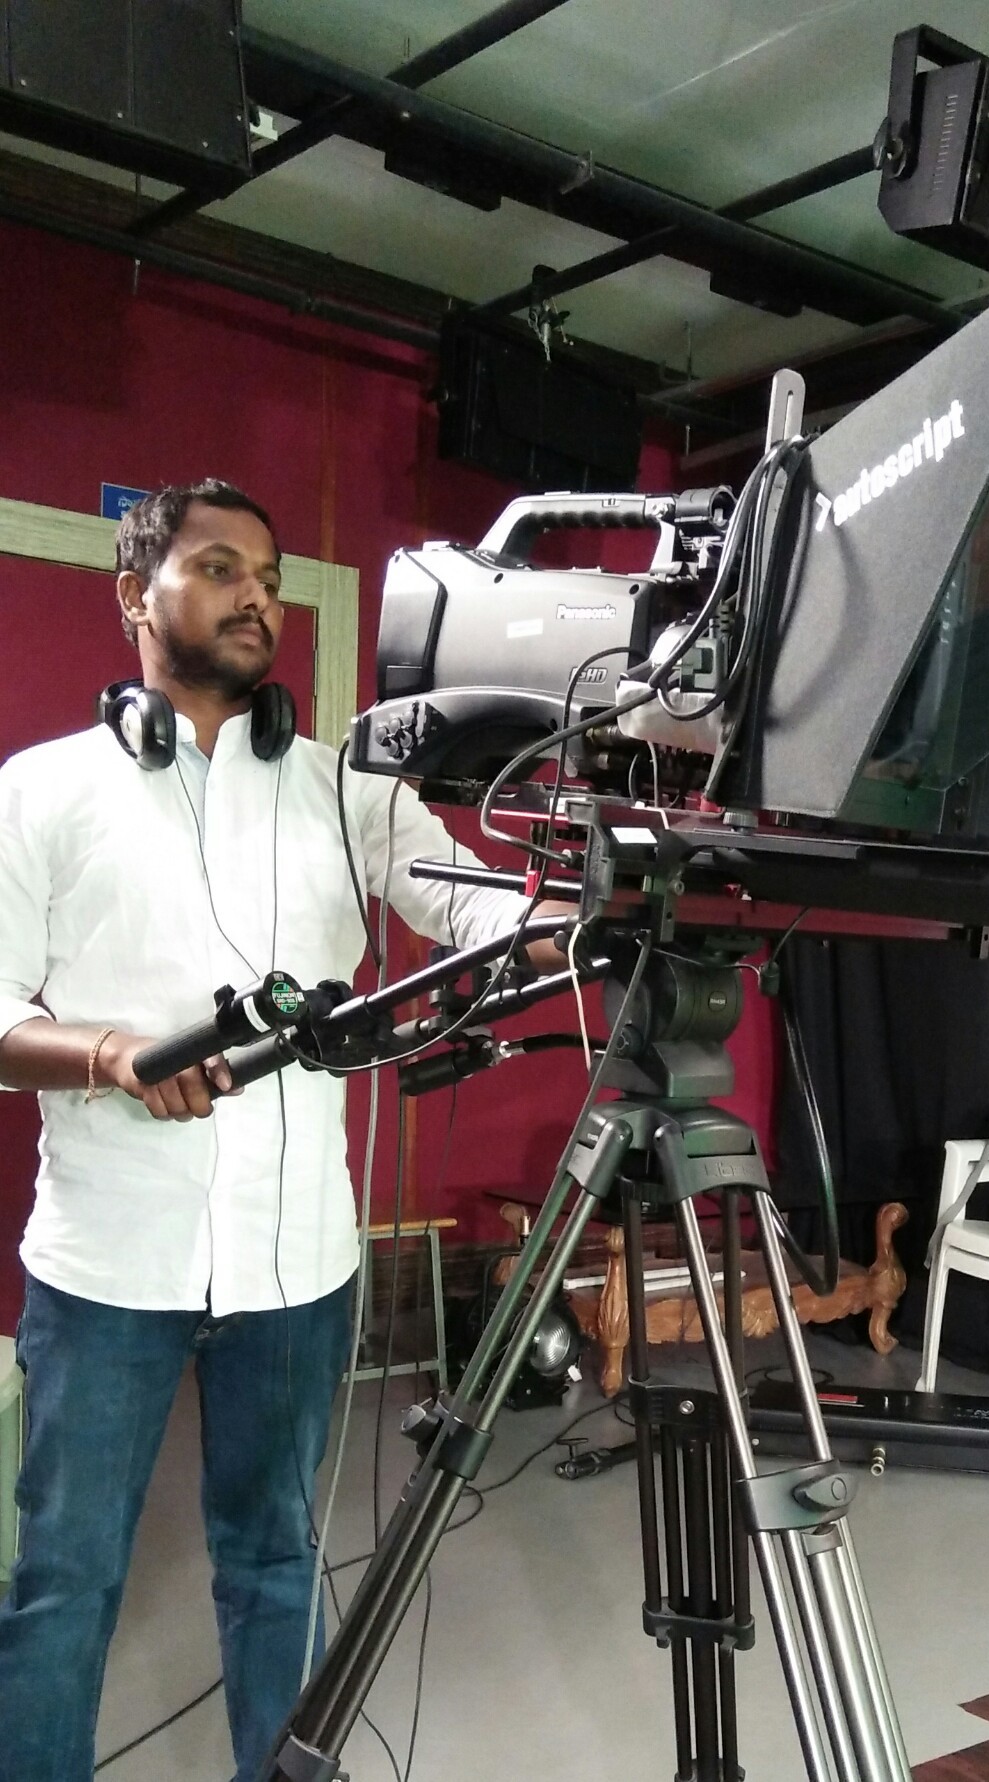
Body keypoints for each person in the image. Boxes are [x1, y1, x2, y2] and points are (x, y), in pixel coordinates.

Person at [0, 480, 571, 1782]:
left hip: (297, 1265)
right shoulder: (39, 792)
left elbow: (465, 900)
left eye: (268, 576)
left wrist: (553, 914)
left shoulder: (343, 788)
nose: (258, 595)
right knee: (64, 1579)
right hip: (106, 1268)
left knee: (273, 1560)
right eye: (219, 568)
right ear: (135, 595)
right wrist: (107, 1055)